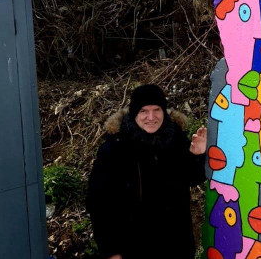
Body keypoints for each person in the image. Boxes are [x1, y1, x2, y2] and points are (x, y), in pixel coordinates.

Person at [86, 83, 208, 259]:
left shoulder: (176, 139)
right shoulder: (115, 149)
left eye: (156, 109)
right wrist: (111, 251)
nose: (151, 117)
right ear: (135, 112)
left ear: (164, 111)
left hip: (176, 247)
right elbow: (99, 204)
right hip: (134, 248)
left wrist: (197, 155)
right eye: (144, 110)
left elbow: (193, 178)